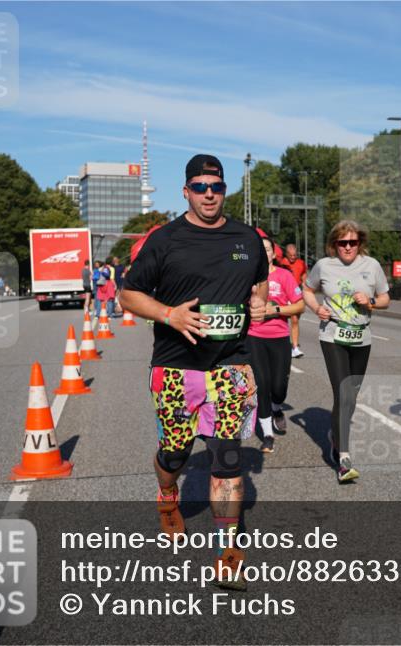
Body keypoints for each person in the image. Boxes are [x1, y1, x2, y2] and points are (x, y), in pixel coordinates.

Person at [120, 154, 268, 590]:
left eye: (216, 186)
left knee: (227, 459)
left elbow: (257, 281)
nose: (209, 194)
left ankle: (228, 555)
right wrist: (170, 314)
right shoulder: (165, 240)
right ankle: (168, 494)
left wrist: (257, 301)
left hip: (231, 366)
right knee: (176, 452)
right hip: (175, 368)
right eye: (200, 186)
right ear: (185, 190)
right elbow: (129, 296)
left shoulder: (247, 237)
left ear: (225, 190)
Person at [303, 220, 390, 483]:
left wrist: (371, 301)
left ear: (359, 243)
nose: (348, 247)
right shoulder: (324, 266)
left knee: (351, 397)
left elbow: (386, 299)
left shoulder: (372, 265)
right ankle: (343, 458)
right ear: (334, 244)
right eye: (343, 243)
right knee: (342, 393)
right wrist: (316, 308)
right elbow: (307, 289)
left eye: (353, 242)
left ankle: (334, 435)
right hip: (333, 335)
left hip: (361, 337)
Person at [248, 232, 305, 453]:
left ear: (273, 254)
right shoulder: (247, 277)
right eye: (260, 250)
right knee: (261, 385)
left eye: (268, 250)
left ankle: (276, 407)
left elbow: (299, 306)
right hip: (254, 337)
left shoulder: (284, 276)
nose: (264, 254)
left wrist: (276, 309)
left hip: (279, 337)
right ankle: (268, 435)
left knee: (279, 387)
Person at [277, 244, 308, 358]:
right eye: (291, 255)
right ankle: (280, 344)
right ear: (286, 254)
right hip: (283, 294)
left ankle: (295, 347)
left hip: (295, 293)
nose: (293, 257)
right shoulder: (282, 262)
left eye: (295, 255)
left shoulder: (301, 263)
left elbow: (304, 273)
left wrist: (304, 284)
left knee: (295, 320)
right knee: (281, 320)